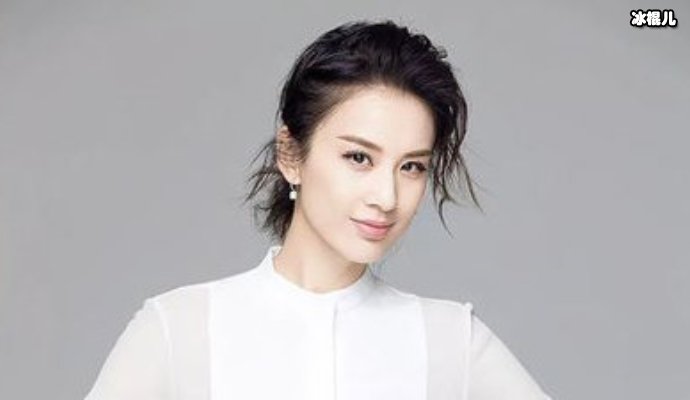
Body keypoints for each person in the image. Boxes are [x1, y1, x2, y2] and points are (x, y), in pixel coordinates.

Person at [84, 20, 553, 400]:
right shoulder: (178, 330)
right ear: (291, 155)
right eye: (359, 157)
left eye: (411, 166)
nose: (387, 197)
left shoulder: (450, 341)